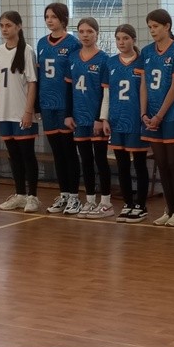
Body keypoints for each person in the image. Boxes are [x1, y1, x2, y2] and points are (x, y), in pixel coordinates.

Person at [140, 9, 174, 226]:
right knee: (161, 163)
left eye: (156, 26)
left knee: (173, 163)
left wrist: (160, 115)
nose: (152, 31)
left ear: (167, 26)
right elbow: (143, 85)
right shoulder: (146, 52)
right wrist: (144, 113)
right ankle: (169, 210)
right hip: (151, 116)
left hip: (171, 115)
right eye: (150, 27)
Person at [0, 11, 40, 213]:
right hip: (4, 113)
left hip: (21, 112)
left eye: (8, 25)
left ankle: (33, 196)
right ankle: (19, 194)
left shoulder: (27, 51)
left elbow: (32, 83)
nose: (4, 29)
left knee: (27, 155)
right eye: (2, 25)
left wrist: (28, 112)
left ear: (18, 26)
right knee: (13, 156)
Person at [36, 3, 83, 214]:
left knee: (68, 151)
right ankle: (64, 194)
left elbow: (75, 77)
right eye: (47, 16)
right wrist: (37, 105)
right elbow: (39, 76)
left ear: (63, 19)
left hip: (64, 104)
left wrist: (71, 110)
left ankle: (74, 196)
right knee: (56, 152)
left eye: (53, 16)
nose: (49, 20)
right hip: (47, 104)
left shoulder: (73, 43)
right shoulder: (41, 43)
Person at [102, 24, 151, 223]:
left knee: (139, 164)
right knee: (121, 165)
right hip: (116, 119)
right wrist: (104, 118)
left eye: (125, 38)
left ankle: (141, 205)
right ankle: (128, 203)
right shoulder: (111, 62)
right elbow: (107, 94)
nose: (121, 42)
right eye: (118, 39)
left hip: (136, 120)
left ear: (134, 40)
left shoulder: (142, 62)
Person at [68, 17, 115, 218]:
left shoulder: (104, 59)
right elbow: (68, 88)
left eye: (89, 32)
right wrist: (68, 114)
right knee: (85, 160)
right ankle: (89, 200)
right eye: (81, 32)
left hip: (96, 119)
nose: (85, 35)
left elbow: (106, 93)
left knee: (100, 160)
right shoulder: (73, 57)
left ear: (97, 34)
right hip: (79, 117)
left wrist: (100, 118)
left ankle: (106, 202)